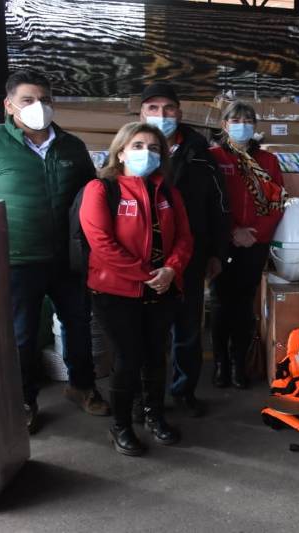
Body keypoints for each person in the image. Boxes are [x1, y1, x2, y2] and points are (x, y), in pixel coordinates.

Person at [0, 69, 110, 433]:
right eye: (28, 100)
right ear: (9, 105)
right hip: (16, 260)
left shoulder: (71, 146)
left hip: (68, 259)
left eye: (45, 99)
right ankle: (24, 398)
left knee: (78, 324)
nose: (39, 106)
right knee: (21, 334)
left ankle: (82, 387)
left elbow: (92, 198)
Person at [80, 122, 193, 456]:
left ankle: (153, 415)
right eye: (138, 145)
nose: (147, 152)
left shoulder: (169, 192)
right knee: (128, 359)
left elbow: (185, 238)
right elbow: (102, 244)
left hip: (162, 289)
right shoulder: (101, 189)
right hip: (116, 292)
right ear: (121, 151)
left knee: (156, 357)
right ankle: (121, 426)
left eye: (155, 147)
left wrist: (172, 269)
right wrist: (145, 274)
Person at [138, 83, 227, 417]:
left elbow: (219, 206)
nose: (162, 116)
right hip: (143, 259)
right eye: (153, 109)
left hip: (191, 256)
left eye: (169, 108)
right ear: (141, 113)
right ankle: (148, 398)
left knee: (187, 330)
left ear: (180, 112)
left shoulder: (201, 154)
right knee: (147, 333)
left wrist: (217, 252)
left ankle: (184, 390)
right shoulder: (131, 152)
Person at [208, 102, 285, 388]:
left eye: (249, 119)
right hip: (222, 242)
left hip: (255, 241)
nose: (243, 124)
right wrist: (230, 233)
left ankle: (239, 363)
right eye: (236, 119)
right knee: (219, 303)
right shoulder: (212, 157)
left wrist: (256, 232)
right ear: (225, 124)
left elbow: (277, 203)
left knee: (243, 304)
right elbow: (207, 202)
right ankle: (220, 364)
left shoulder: (268, 161)